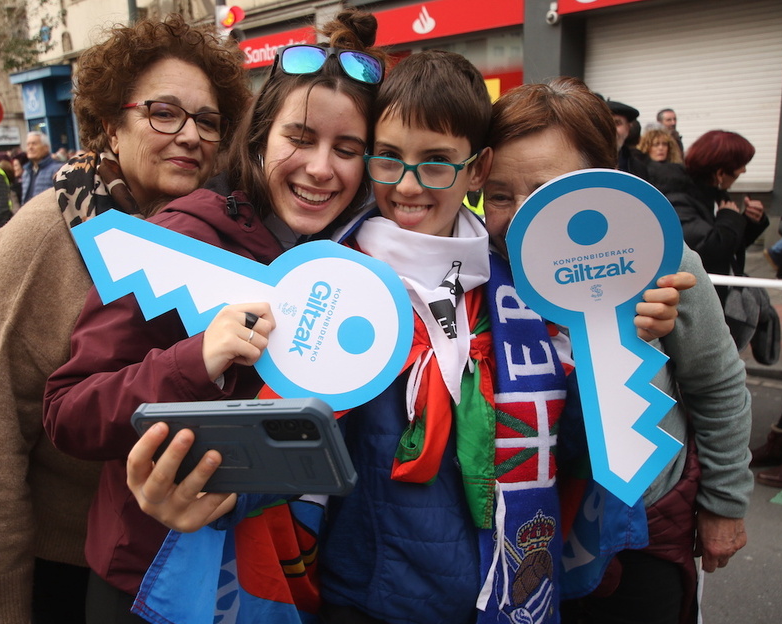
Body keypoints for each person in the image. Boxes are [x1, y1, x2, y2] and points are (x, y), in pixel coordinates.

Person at [125, 55, 688, 624]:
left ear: (477, 168)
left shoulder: (517, 289)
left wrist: (609, 345)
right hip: (368, 599)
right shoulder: (336, 282)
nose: (409, 185)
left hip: (505, 591)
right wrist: (208, 492)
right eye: (389, 160)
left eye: (437, 162)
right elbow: (289, 438)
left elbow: (560, 449)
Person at [42, 10, 385, 623]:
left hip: (295, 579)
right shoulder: (182, 239)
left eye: (348, 149)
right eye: (300, 138)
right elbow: (69, 412)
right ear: (258, 140)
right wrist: (193, 360)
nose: (321, 168)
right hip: (156, 581)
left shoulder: (366, 267)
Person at [0, 15, 251, 624]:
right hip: (63, 567)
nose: (190, 136)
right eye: (163, 113)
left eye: (208, 121)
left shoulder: (217, 235)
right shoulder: (42, 237)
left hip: (177, 552)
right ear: (111, 124)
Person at [483, 77, 751, 624]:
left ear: (597, 183)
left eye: (540, 195)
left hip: (642, 528)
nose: (515, 218)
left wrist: (724, 506)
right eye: (498, 196)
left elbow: (718, 386)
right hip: (515, 532)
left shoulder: (660, 261)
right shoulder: (475, 273)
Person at [659, 130, 768, 306]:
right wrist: (730, 218)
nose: (744, 170)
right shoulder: (678, 199)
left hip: (719, 294)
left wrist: (750, 222)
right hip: (699, 302)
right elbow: (707, 251)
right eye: (740, 166)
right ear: (720, 173)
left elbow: (730, 246)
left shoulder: (716, 195)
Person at [20, 131, 62, 204]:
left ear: (46, 148)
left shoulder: (57, 169)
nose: (30, 147)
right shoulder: (26, 172)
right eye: (28, 144)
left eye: (34, 144)